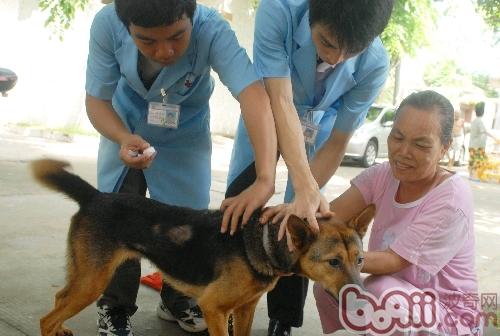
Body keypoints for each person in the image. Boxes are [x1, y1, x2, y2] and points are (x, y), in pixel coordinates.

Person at [85, 0, 278, 334]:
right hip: (125, 128)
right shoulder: (106, 24)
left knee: (187, 224)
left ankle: (178, 299)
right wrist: (120, 137)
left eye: (177, 37)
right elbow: (96, 100)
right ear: (126, 25)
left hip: (183, 134)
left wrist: (265, 177)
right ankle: (115, 308)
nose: (164, 51)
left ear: (192, 17)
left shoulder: (212, 29)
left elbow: (253, 95)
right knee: (120, 221)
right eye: (147, 41)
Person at [224, 0, 394, 334]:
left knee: (306, 226)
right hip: (270, 116)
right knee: (241, 203)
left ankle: (283, 320)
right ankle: (221, 299)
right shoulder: (278, 12)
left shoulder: (375, 62)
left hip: (321, 135)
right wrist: (288, 182)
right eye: (328, 44)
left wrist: (305, 197)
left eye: (351, 52)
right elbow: (281, 100)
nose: (336, 59)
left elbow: (339, 140)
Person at [307, 91, 482, 335]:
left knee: (380, 291)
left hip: (450, 315)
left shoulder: (451, 198)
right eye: (397, 137)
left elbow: (394, 261)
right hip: (400, 300)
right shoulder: (382, 175)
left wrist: (328, 259)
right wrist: (288, 220)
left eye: (420, 144)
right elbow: (328, 219)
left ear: (445, 147)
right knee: (329, 285)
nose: (403, 152)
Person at [468, 102, 500, 179]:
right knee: (478, 161)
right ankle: (474, 176)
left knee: (474, 160)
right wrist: (494, 138)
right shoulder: (479, 121)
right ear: (482, 112)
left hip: (473, 144)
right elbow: (483, 131)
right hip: (477, 145)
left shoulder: (475, 121)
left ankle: (472, 175)